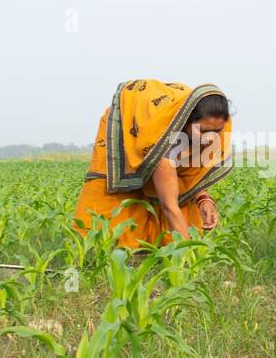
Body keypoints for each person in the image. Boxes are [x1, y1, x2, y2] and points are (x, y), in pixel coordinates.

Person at [74, 79, 232, 250]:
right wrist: (188, 254)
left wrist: (204, 199)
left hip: (169, 120)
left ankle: (160, 247)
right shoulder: (161, 142)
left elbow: (191, 174)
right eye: (202, 130)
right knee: (119, 205)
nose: (210, 138)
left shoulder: (205, 135)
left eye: (216, 131)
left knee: (177, 204)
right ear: (185, 121)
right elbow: (169, 206)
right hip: (129, 127)